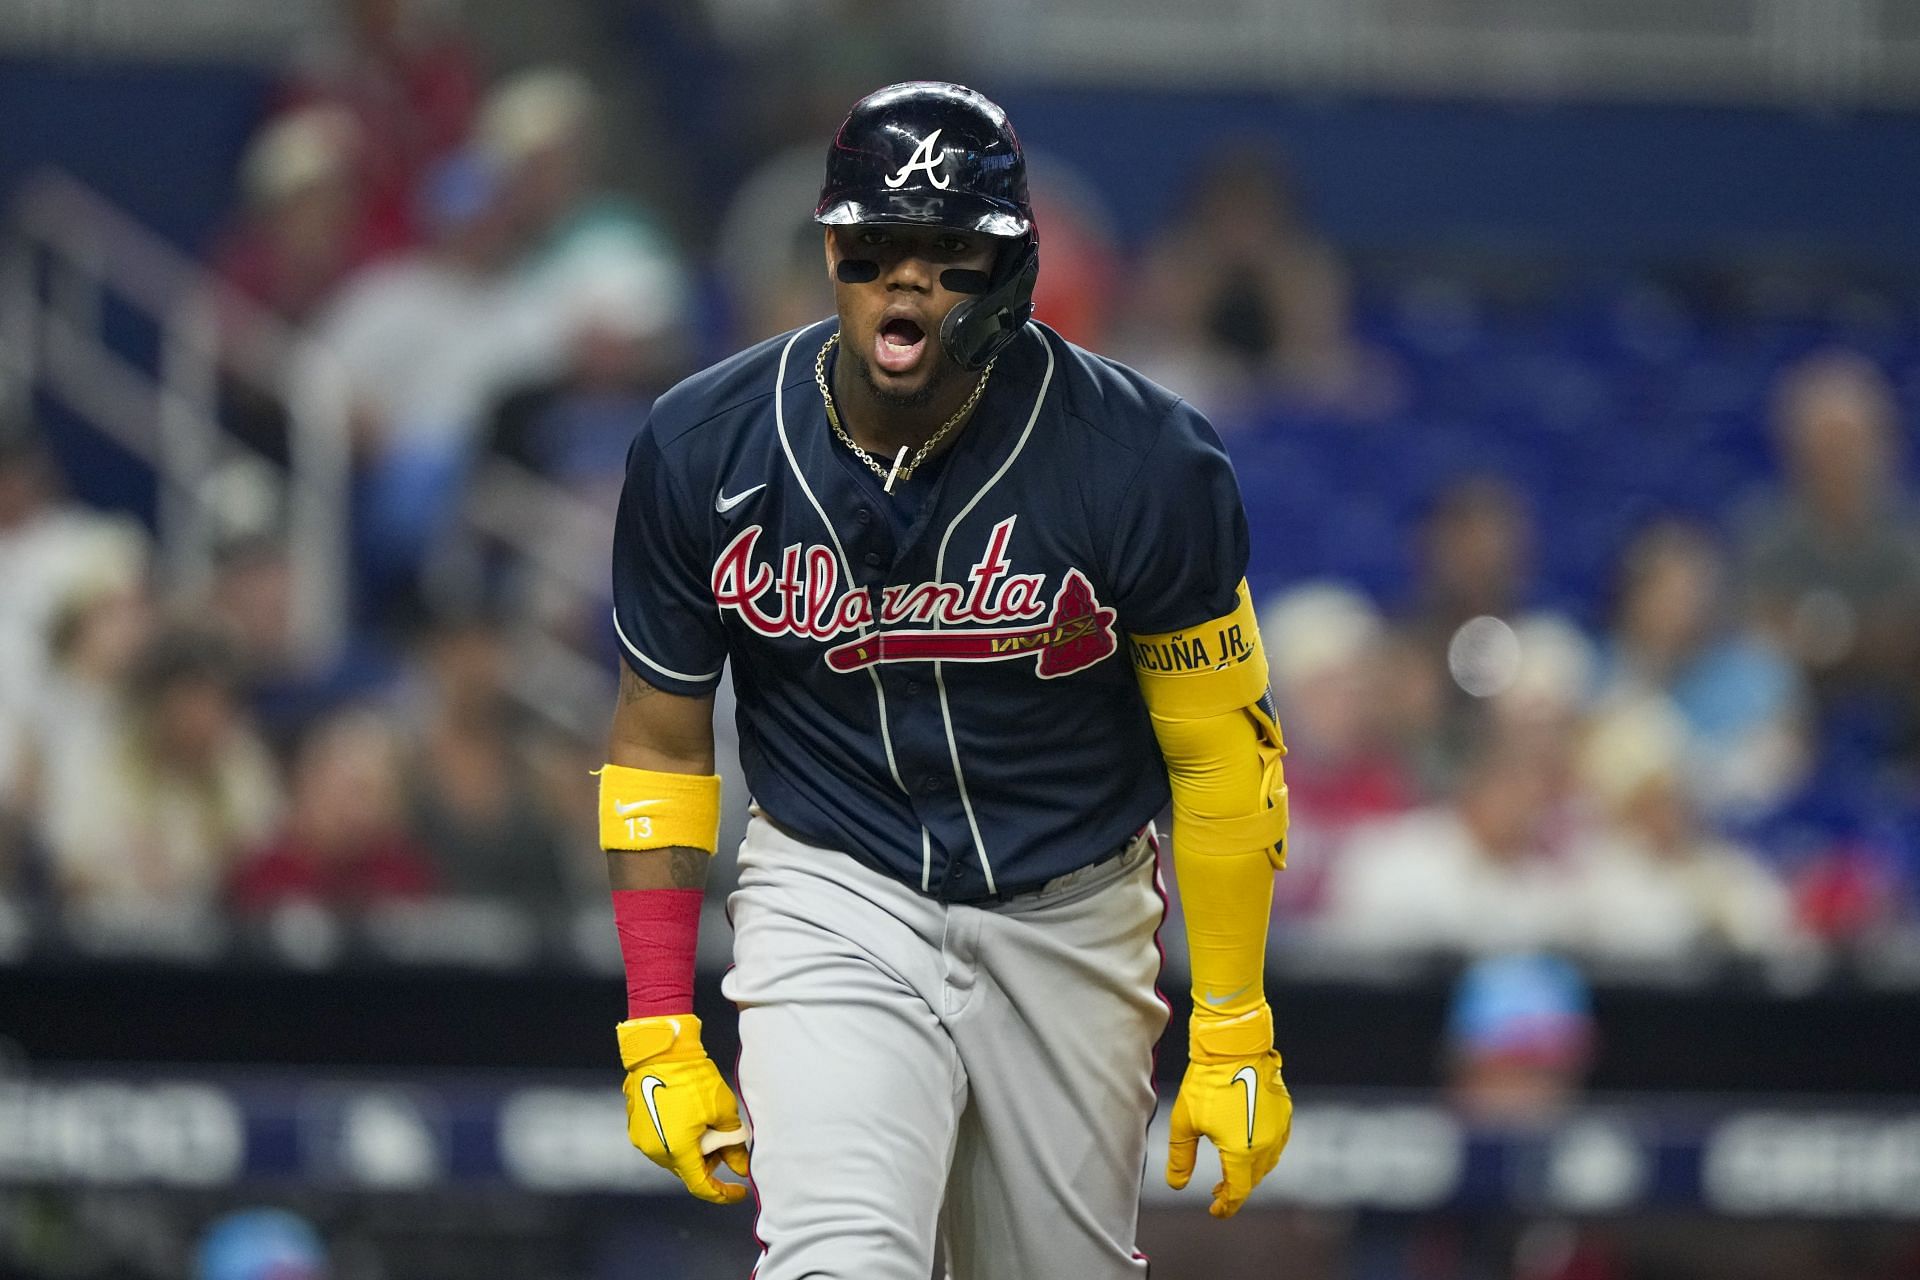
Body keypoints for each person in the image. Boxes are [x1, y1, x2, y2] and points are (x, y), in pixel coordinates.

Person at [600, 83, 1293, 1278]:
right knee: (841, 1260)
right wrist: (660, 1019)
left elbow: (1221, 751)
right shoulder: (703, 444)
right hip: (833, 885)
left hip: (1071, 909)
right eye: (874, 245)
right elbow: (661, 738)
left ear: (1014, 268)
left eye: (947, 250)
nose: (905, 279)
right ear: (829, 250)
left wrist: (1234, 1022)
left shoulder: (1144, 460)